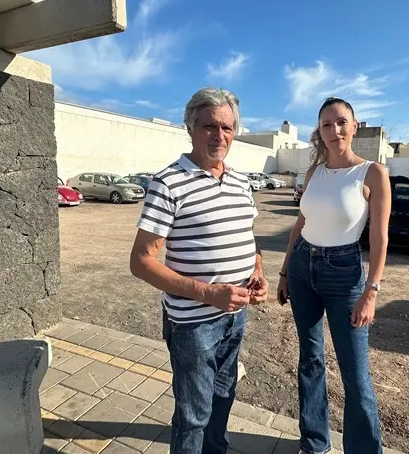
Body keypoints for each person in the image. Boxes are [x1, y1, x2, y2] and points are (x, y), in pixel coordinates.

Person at [129, 87, 269, 454]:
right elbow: (140, 261)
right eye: (209, 126)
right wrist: (208, 293)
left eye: (227, 128)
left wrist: (258, 272)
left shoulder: (242, 182)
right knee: (193, 414)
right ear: (191, 127)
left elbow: (248, 237)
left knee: (224, 397)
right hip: (193, 323)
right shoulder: (168, 183)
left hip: (235, 315)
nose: (219, 136)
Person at [276, 97, 391, 454]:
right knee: (310, 361)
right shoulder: (314, 173)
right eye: (327, 124)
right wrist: (283, 270)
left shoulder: (373, 173)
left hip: (344, 274)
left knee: (355, 374)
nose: (335, 129)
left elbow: (379, 236)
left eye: (341, 122)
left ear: (354, 127)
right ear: (320, 132)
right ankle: (315, 444)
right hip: (301, 269)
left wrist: (371, 291)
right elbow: (301, 222)